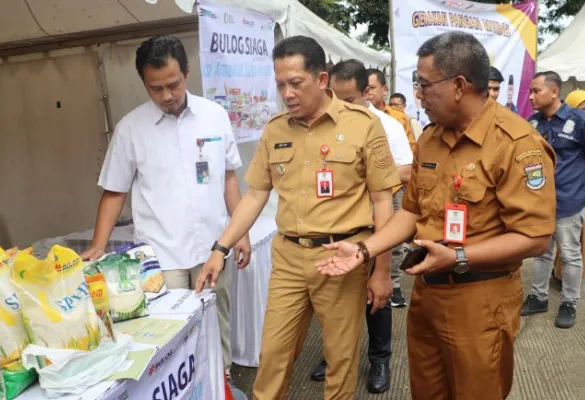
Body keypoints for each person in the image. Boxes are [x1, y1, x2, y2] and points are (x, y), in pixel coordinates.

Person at [315, 31, 556, 399]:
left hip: (481, 301)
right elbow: (411, 210)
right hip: (427, 294)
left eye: (425, 85)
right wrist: (365, 250)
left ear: (459, 85)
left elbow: (536, 237)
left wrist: (459, 256)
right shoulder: (430, 137)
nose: (419, 96)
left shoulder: (516, 144)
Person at [194, 36, 400, 400]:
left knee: (340, 358)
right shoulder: (275, 129)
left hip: (342, 258)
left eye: (296, 83)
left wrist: (381, 270)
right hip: (288, 257)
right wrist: (219, 248)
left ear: (321, 79)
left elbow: (383, 201)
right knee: (272, 354)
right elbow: (256, 194)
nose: (287, 94)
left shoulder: (363, 125)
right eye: (280, 85)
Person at [79, 35, 251, 389]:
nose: (167, 95)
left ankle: (222, 384)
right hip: (162, 254)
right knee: (170, 333)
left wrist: (242, 231)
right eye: (156, 88)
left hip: (215, 246)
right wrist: (99, 243)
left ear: (187, 73)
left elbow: (228, 179)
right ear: (144, 83)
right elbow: (114, 191)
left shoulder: (214, 115)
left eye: (173, 84)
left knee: (218, 320)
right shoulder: (130, 128)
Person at [306, 58, 413, 393]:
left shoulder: (385, 125)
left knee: (376, 293)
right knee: (333, 295)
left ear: (367, 92)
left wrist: (373, 172)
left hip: (374, 222)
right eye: (332, 96)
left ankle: (379, 358)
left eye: (347, 99)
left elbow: (408, 171)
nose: (338, 105)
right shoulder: (321, 123)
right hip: (335, 224)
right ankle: (336, 355)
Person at [522, 76, 585, 329]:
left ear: (554, 91)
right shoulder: (533, 123)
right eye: (530, 92)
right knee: (541, 252)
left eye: (536, 91)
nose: (531, 97)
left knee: (570, 253)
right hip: (540, 202)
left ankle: (570, 302)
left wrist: (575, 179)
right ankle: (538, 297)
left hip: (570, 200)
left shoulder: (581, 121)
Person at [550, 90, 585, 280]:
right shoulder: (562, 130)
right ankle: (559, 274)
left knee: (584, 239)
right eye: (581, 108)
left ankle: (577, 276)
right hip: (565, 194)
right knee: (565, 241)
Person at [367, 68, 417, 152]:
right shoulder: (354, 115)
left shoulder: (399, 117)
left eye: (372, 88)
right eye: (364, 88)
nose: (368, 92)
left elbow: (410, 149)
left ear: (385, 89)